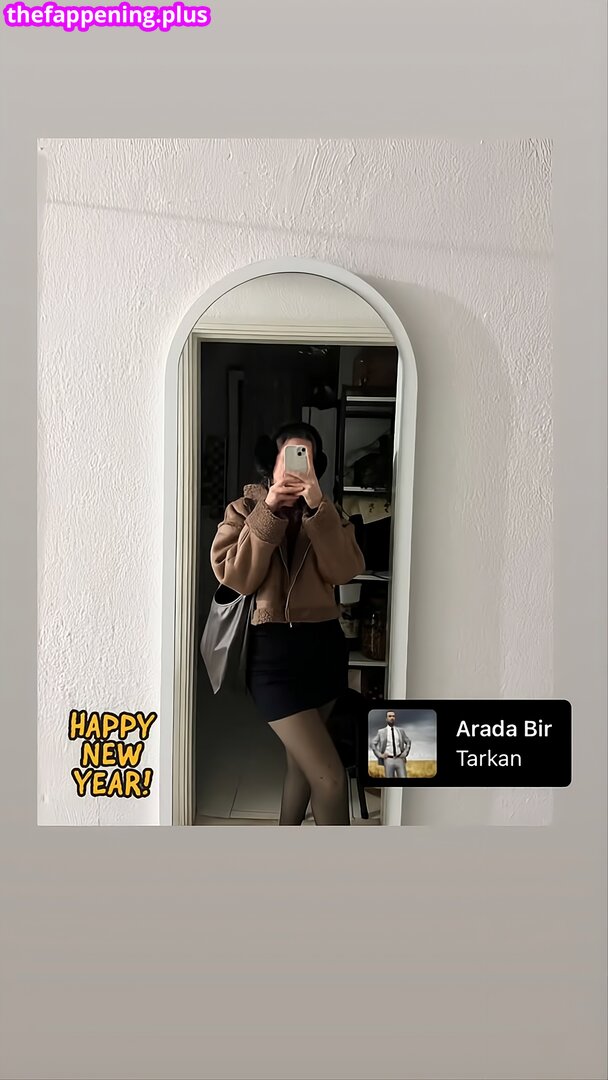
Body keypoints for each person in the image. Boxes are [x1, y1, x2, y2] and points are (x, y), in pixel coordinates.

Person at [210, 421, 366, 826]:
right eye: (291, 455)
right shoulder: (243, 511)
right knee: (330, 779)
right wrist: (268, 511)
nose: (299, 466)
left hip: (324, 653)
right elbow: (237, 578)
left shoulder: (329, 513)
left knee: (301, 767)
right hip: (272, 662)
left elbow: (344, 571)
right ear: (272, 463)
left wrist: (318, 510)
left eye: (307, 458)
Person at [371, 710, 411, 778]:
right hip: (388, 760)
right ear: (386, 719)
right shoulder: (381, 732)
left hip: (400, 758)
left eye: (393, 716)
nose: (392, 718)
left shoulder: (400, 731)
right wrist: (380, 755)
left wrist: (405, 752)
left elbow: (408, 742)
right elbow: (373, 744)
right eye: (389, 716)